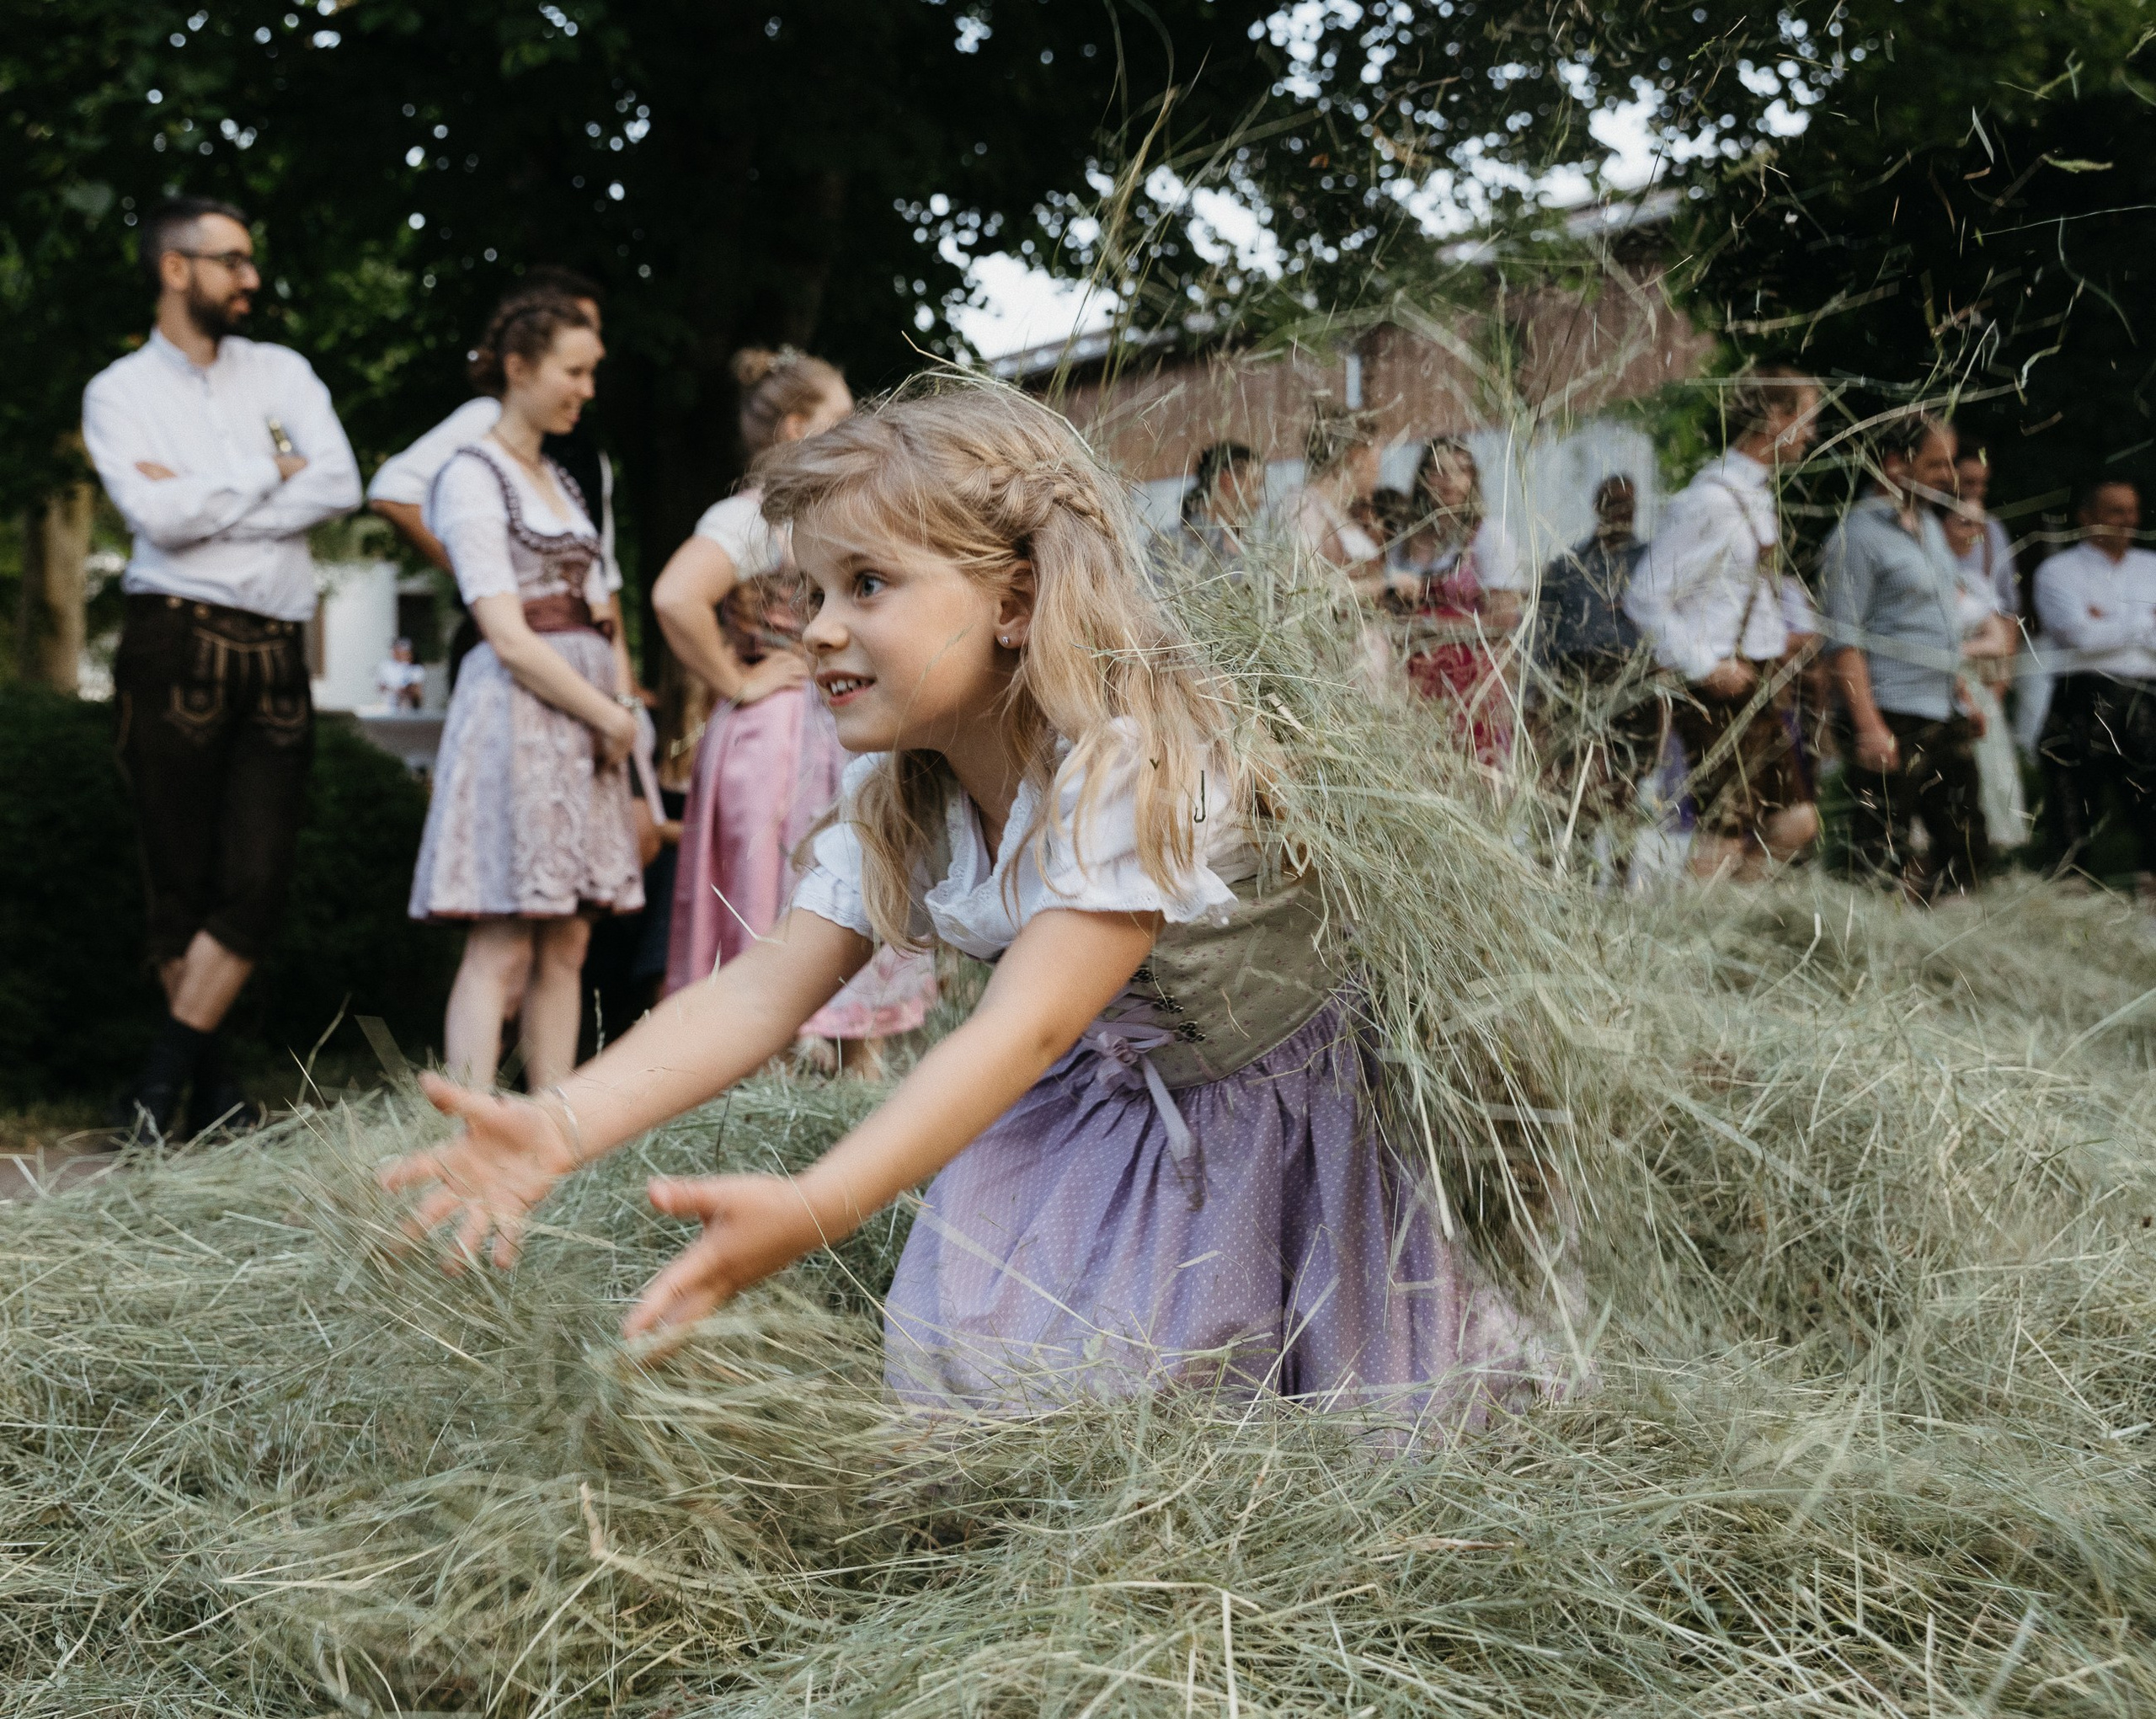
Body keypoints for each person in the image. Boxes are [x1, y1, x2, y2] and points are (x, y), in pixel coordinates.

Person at [382, 377, 1561, 1423]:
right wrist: (563, 1122)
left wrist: (818, 1200)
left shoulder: (1131, 754)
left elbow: (1027, 1022)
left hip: (1267, 1102)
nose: (818, 627)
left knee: (1188, 1395)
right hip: (1111, 1087)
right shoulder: (907, 784)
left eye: (869, 583)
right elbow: (761, 990)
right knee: (983, 1355)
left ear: (1014, 598)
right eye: (809, 589)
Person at [83, 195, 362, 1138]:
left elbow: (337, 481)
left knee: (258, 881)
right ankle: (213, 1094)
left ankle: (157, 1086)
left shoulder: (280, 376)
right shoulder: (120, 392)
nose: (250, 278)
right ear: (175, 269)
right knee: (180, 880)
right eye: (230, 260)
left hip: (275, 642)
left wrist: (206, 492)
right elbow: (153, 520)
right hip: (173, 638)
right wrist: (266, 481)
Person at [653, 347, 936, 1075]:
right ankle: (760, 1051)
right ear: (793, 428)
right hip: (776, 732)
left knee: (852, 867)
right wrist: (736, 680)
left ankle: (851, 1051)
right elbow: (675, 595)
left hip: (829, 727)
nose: (854, 431)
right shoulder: (751, 518)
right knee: (772, 882)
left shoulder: (827, 517)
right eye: (839, 419)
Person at [405, 294, 644, 1092]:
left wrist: (621, 708)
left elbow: (600, 606)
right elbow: (505, 633)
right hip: (521, 711)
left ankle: (553, 1120)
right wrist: (606, 711)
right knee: (504, 933)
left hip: (582, 727)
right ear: (518, 368)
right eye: (573, 372)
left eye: (592, 373)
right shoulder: (472, 474)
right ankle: (467, 1121)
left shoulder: (560, 481)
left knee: (569, 937)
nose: (586, 388)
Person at [368, 268, 616, 685]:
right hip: (508, 655)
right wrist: (486, 573)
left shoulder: (581, 457)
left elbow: (604, 578)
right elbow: (391, 491)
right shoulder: (486, 425)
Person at [1624, 366, 1822, 881]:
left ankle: (1733, 920)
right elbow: (1644, 596)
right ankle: (1695, 938)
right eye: (1807, 419)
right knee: (1724, 837)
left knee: (1796, 821)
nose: (1813, 434)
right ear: (1776, 418)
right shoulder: (1709, 501)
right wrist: (1706, 665)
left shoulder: (1756, 496)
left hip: (1758, 681)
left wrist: (1782, 639)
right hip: (1716, 691)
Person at [1820, 416, 1998, 900]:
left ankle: (1945, 955)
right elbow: (1843, 640)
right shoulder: (1855, 537)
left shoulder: (1932, 532)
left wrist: (1963, 693)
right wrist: (1868, 726)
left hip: (1943, 710)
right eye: (1937, 464)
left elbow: (1936, 627)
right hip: (1889, 712)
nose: (1950, 476)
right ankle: (1867, 957)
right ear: (1896, 465)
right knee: (1879, 850)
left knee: (1967, 846)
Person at [2034, 479, 2156, 895]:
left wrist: (2106, 621)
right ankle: (2071, 885)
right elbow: (2079, 638)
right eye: (2115, 511)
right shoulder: (2058, 571)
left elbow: (2093, 633)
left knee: (2150, 796)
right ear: (2086, 517)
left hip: (2145, 695)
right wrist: (2144, 623)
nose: (2127, 522)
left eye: (2132, 511)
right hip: (2083, 694)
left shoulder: (2151, 567)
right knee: (2073, 793)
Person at [1531, 474, 1664, 836]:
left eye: (1629, 503)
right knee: (1570, 784)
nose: (1622, 510)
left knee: (1625, 786)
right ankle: (1573, 870)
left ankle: (1622, 880)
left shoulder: (1653, 565)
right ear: (1597, 506)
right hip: (1572, 687)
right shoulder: (1566, 568)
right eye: (1613, 501)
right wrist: (1537, 694)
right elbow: (1541, 633)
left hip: (1631, 690)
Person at [1388, 436, 1525, 764]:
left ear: (1472, 479)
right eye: (1437, 471)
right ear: (1422, 479)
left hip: (1471, 682)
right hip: (1415, 680)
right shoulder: (1405, 541)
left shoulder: (1489, 537)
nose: (1447, 481)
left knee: (1469, 769)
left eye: (1459, 471)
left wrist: (1435, 626)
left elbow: (1506, 620)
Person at [1941, 444, 2031, 851]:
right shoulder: (1928, 532)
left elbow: (2006, 612)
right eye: (1968, 482)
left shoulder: (1992, 532)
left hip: (1979, 669)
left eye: (1983, 483)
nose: (1976, 491)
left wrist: (2003, 673)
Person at [1286, 412, 1387, 595]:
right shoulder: (1304, 507)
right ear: (1357, 457)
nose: (1379, 474)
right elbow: (1306, 589)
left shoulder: (1339, 510)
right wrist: (1385, 587)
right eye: (1378, 459)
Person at [1166, 440, 1262, 571]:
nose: (1260, 500)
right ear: (1226, 480)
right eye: (1256, 485)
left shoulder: (1252, 541)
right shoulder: (1173, 545)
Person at [375, 637, 427, 710]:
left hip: (408, 707)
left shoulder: (416, 669)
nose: (397, 652)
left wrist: (401, 690)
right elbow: (381, 687)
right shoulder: (386, 666)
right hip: (388, 707)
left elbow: (416, 691)